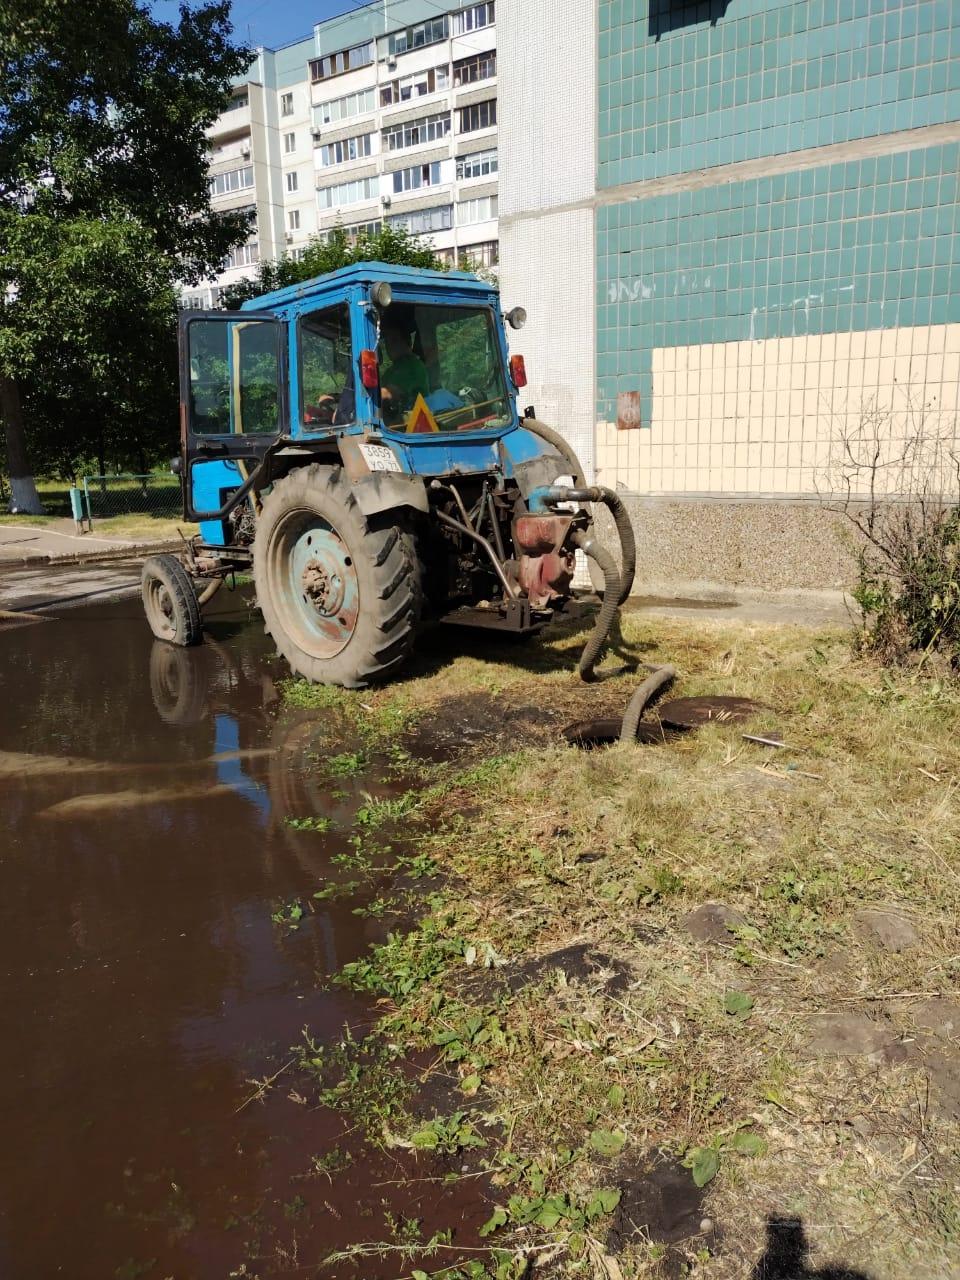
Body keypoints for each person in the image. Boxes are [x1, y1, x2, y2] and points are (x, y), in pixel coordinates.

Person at [380, 322, 429, 416]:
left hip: (414, 420)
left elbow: (389, 393)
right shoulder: (391, 370)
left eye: (394, 341)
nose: (389, 346)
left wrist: (357, 400)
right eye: (386, 342)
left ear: (408, 342)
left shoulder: (412, 365)